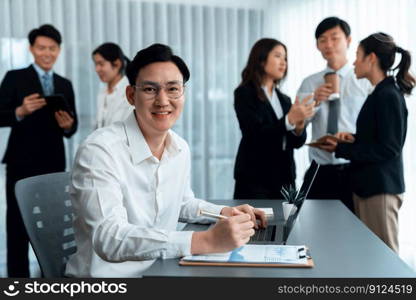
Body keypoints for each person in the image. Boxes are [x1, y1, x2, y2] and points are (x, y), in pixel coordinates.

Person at [65, 44, 267, 278]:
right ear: (131, 95)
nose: (163, 101)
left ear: (183, 94)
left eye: (173, 89)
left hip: (161, 269)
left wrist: (223, 212)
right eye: (150, 89)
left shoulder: (180, 147)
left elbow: (182, 203)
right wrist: (205, 240)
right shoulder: (100, 150)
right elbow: (110, 238)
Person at [317, 32, 415, 253]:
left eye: (358, 56)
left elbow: (389, 148)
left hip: (379, 189)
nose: (353, 62)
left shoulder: (388, 95)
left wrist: (342, 148)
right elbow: (380, 138)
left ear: (371, 58)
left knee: (384, 259)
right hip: (369, 187)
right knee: (372, 257)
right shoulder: (379, 93)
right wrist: (354, 138)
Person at [0, 24, 78, 277]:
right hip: (21, 163)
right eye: (42, 48)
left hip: (53, 163)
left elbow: (72, 124)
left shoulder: (64, 84)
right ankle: (16, 282)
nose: (47, 53)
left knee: (56, 225)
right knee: (17, 226)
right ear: (32, 49)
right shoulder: (14, 77)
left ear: (59, 51)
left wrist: (68, 127)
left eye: (52, 48)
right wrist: (19, 112)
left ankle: (53, 278)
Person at [297, 17, 372, 212]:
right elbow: (297, 129)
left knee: (357, 235)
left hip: (355, 169)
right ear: (317, 46)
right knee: (309, 230)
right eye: (322, 40)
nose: (328, 44)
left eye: (334, 38)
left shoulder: (365, 81)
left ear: (348, 41)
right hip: (319, 170)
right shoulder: (309, 83)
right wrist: (314, 102)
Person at [233, 38, 315, 199]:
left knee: (285, 224)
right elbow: (254, 134)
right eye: (278, 56)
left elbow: (295, 143)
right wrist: (289, 120)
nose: (283, 63)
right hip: (255, 179)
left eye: (285, 58)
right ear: (261, 59)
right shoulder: (244, 93)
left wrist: (299, 127)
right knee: (253, 224)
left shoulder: (284, 99)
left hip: (285, 179)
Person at [92, 42, 133, 128]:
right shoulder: (102, 93)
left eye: (101, 64)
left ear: (117, 64)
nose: (97, 69)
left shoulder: (130, 93)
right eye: (96, 64)